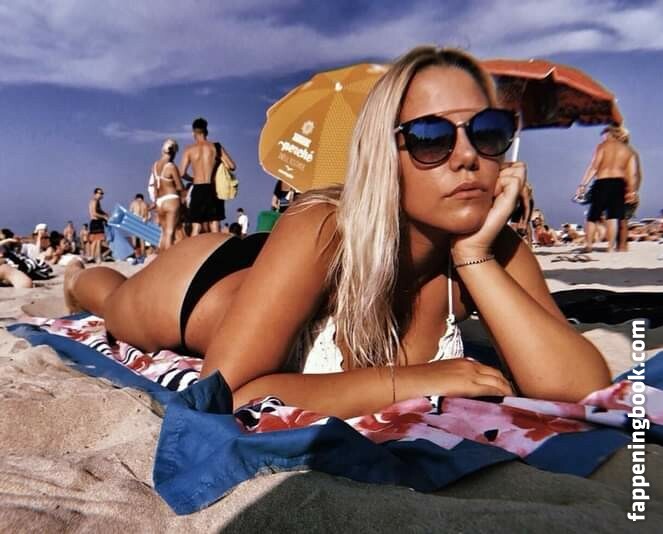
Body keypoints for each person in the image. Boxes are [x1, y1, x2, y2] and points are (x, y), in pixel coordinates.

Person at [63, 46, 610, 419]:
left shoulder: (491, 248)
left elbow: (580, 386)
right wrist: (408, 382)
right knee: (110, 301)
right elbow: (224, 392)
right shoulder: (322, 224)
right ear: (383, 154)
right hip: (200, 285)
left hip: (282, 269)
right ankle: (74, 275)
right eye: (430, 137)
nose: (467, 156)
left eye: (488, 131)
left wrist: (473, 257)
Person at [576, 125, 638, 253]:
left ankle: (588, 245)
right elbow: (632, 174)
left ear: (610, 134)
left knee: (593, 216)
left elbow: (594, 167)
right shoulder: (629, 151)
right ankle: (610, 247)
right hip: (619, 184)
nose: (603, 138)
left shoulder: (603, 146)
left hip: (602, 182)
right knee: (613, 217)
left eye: (604, 135)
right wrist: (631, 191)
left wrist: (583, 185)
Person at [179, 118, 236, 236]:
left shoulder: (189, 149)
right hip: (212, 189)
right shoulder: (216, 147)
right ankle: (218, 247)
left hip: (198, 188)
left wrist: (192, 179)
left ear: (194, 132)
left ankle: (194, 248)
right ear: (206, 131)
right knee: (214, 223)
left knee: (196, 226)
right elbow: (232, 166)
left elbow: (182, 173)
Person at [150, 140, 184, 251]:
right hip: (171, 199)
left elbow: (155, 186)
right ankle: (169, 258)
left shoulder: (155, 166)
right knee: (170, 232)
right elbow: (179, 186)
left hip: (160, 201)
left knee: (164, 233)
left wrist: (155, 201)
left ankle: (162, 257)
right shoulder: (171, 166)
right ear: (174, 152)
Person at [88, 188, 108, 263]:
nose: (101, 195)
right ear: (95, 193)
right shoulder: (94, 201)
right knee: (98, 241)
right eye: (100, 193)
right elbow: (94, 213)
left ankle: (92, 257)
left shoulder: (96, 201)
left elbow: (98, 211)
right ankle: (98, 257)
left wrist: (105, 214)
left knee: (95, 241)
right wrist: (104, 217)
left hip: (95, 222)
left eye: (102, 193)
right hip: (96, 222)